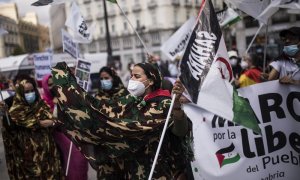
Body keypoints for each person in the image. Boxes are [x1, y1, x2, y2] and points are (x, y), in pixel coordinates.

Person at [51, 62, 193, 179]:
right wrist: (71, 88)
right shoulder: (130, 102)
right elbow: (100, 111)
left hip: (159, 171)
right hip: (133, 171)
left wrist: (177, 110)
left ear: (150, 81)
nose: (132, 80)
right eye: (131, 76)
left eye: (137, 76)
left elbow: (180, 131)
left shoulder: (165, 103)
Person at [6, 76, 63, 179]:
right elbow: (27, 123)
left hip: (49, 155)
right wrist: (41, 122)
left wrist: (52, 122)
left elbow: (54, 120)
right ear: (20, 93)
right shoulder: (16, 111)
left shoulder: (41, 105)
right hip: (29, 158)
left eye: (32, 90)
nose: (30, 94)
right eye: (26, 92)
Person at [41, 74, 89, 180]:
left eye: (54, 83)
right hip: (55, 139)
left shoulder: (66, 97)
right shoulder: (42, 102)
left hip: (72, 136)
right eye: (49, 85)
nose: (52, 87)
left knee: (79, 161)